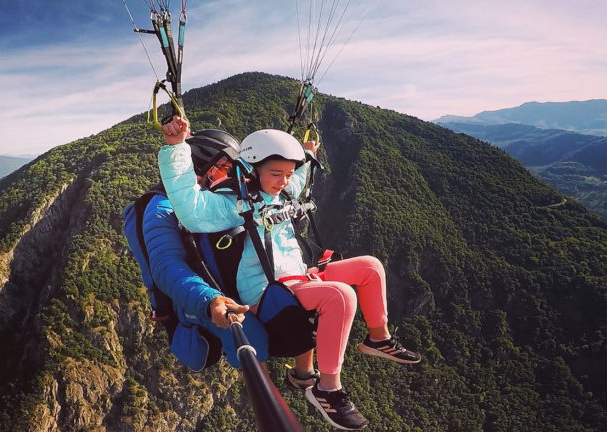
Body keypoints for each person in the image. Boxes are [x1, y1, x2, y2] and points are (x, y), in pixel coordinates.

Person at [159, 117, 421, 431]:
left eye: (286, 173)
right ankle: (327, 389)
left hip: (295, 277)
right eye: (275, 173)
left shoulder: (280, 191)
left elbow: (298, 179)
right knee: (341, 295)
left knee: (369, 267)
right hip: (265, 289)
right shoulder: (233, 204)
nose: (283, 180)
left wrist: (308, 154)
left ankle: (378, 338)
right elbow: (191, 209)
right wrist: (176, 149)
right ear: (252, 169)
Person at [143, 128, 271, 370]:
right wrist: (208, 299)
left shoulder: (212, 200)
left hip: (221, 281)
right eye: (224, 168)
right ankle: (266, 397)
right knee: (254, 343)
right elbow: (166, 266)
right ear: (200, 167)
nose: (231, 176)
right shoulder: (161, 207)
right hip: (197, 295)